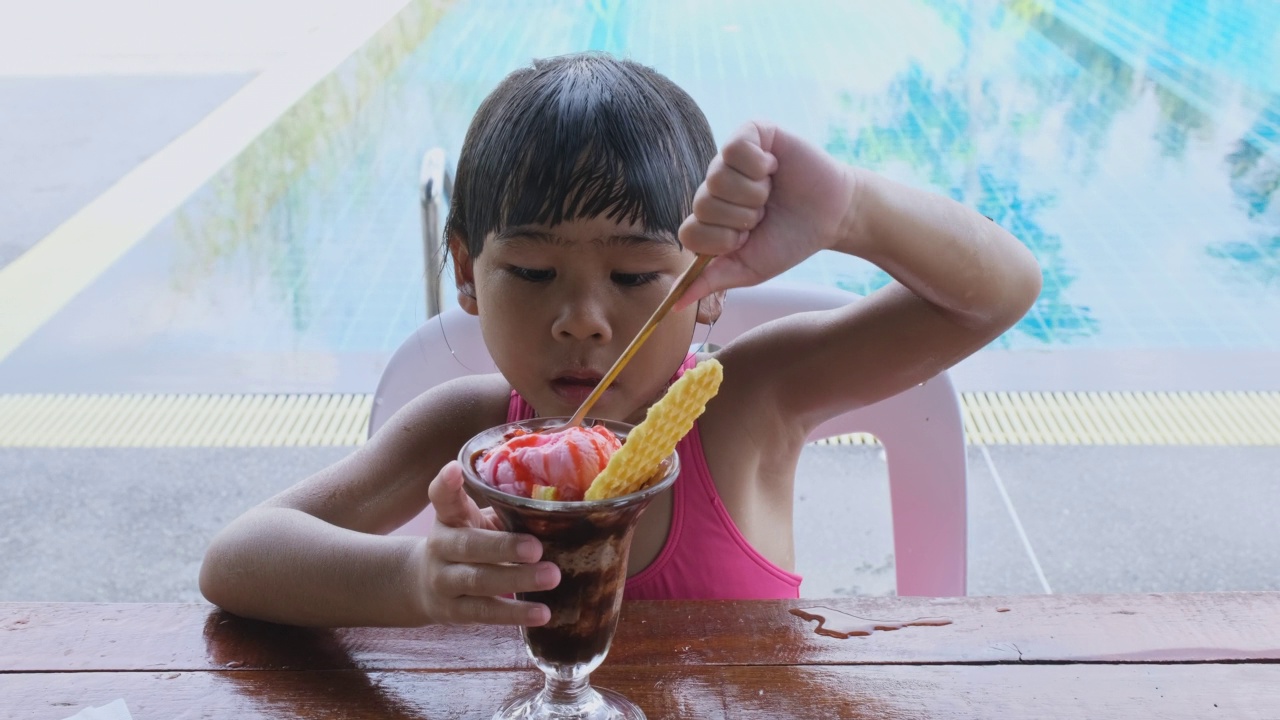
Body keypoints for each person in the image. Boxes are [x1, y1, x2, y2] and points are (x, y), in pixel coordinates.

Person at [200, 52, 1041, 628]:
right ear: (464, 271)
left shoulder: (751, 408)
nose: (582, 320)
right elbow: (236, 560)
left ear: (705, 282)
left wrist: (850, 212)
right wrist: (413, 579)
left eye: (638, 278)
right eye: (531, 273)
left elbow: (996, 296)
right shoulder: (467, 429)